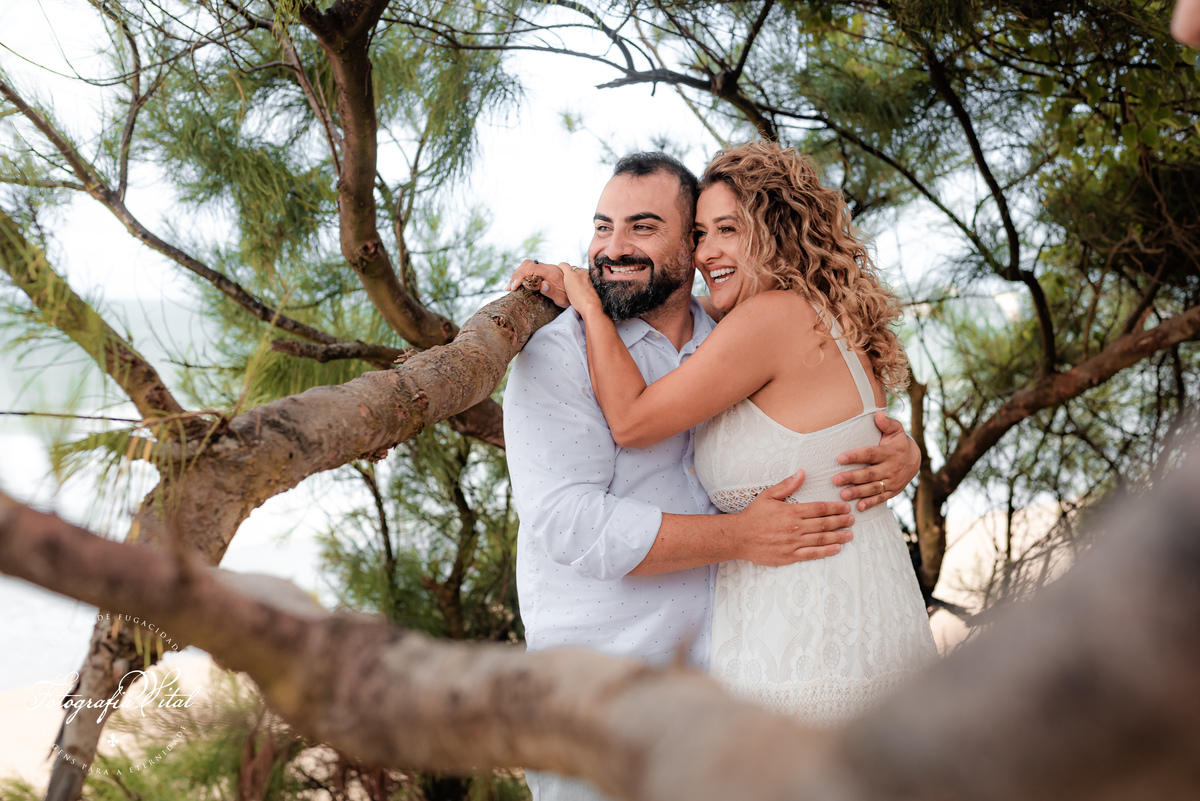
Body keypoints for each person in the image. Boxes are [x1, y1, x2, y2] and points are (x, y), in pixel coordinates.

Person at [503, 151, 921, 801]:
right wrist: (739, 538)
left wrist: (901, 450)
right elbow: (568, 524)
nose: (614, 247)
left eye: (646, 227)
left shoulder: (732, 328)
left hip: (764, 665)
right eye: (602, 226)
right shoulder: (559, 354)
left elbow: (650, 419)